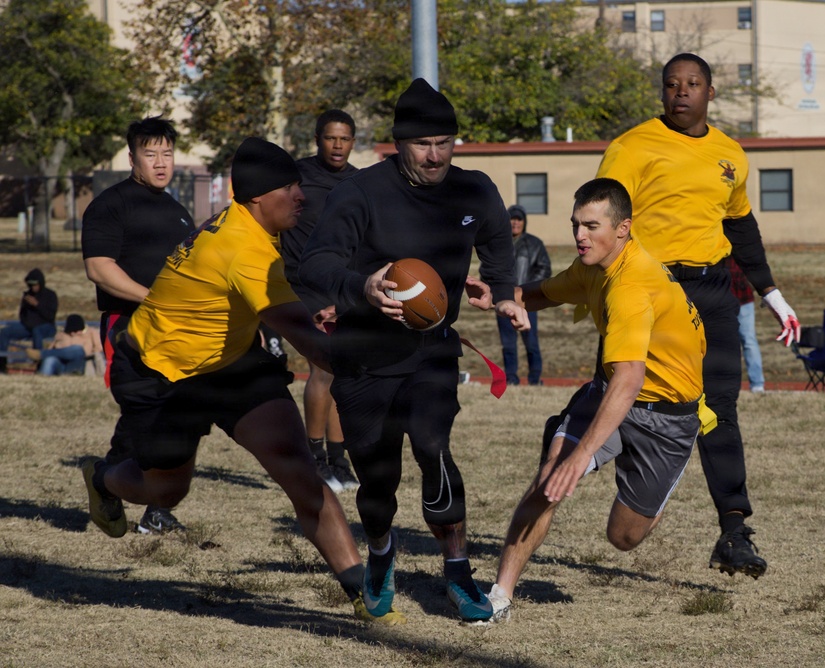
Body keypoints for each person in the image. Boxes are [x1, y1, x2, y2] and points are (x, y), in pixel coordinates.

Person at [80, 137, 404, 625]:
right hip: (162, 372)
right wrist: (373, 365)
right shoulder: (243, 247)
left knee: (300, 470)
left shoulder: (253, 227)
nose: (301, 196)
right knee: (167, 492)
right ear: (258, 198)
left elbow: (299, 292)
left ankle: (363, 594)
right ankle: (102, 477)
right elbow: (299, 331)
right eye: (290, 189)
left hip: (231, 364)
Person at [299, 78, 529, 624]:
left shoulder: (474, 190)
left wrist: (500, 293)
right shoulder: (361, 192)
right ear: (397, 144)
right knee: (377, 479)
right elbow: (316, 263)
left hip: (431, 352)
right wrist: (364, 285)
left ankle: (457, 569)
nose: (435, 155)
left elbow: (497, 240)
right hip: (364, 357)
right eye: (422, 143)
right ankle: (381, 554)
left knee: (432, 444)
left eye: (445, 142)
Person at [596, 53, 800, 580]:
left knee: (721, 409)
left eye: (692, 84)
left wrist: (773, 294)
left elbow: (742, 228)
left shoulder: (731, 154)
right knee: (635, 396)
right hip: (655, 292)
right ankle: (607, 473)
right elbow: (602, 222)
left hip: (712, 292)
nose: (681, 92)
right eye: (671, 84)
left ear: (711, 92)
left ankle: (733, 530)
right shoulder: (632, 146)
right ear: (662, 93)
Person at [486, 178, 709, 622]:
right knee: (549, 479)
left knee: (623, 537)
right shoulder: (592, 267)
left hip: (667, 417)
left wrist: (581, 457)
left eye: (591, 225)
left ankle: (647, 491)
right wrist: (497, 296)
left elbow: (631, 378)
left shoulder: (630, 286)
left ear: (623, 228)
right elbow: (541, 294)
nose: (579, 236)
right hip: (610, 392)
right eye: (576, 225)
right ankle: (499, 596)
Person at [81, 116, 196, 535]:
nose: (161, 162)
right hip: (129, 327)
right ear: (132, 157)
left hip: (178, 328)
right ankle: (126, 490)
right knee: (146, 412)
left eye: (167, 153)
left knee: (177, 412)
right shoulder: (110, 204)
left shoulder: (177, 209)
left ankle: (122, 487)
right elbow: (99, 268)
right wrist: (154, 298)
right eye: (151, 154)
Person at [281, 109, 360, 493]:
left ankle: (339, 461)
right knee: (323, 369)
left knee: (342, 372)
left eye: (345, 138)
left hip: (341, 284)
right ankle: (313, 460)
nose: (338, 145)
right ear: (318, 139)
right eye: (331, 138)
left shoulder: (360, 182)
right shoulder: (296, 176)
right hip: (303, 282)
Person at [496, 204, 551, 386]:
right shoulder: (498, 243)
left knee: (532, 343)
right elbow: (489, 270)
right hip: (504, 302)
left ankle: (535, 379)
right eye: (512, 218)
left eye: (519, 219)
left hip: (528, 302)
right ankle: (511, 378)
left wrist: (526, 290)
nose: (515, 222)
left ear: (524, 222)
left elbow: (545, 269)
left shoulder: (534, 244)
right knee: (508, 344)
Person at [0, 269, 59, 374]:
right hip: (28, 326)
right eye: (30, 285)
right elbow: (22, 315)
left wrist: (37, 305)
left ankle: (39, 363)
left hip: (47, 326)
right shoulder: (27, 296)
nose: (33, 287)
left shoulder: (50, 295)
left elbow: (50, 316)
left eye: (35, 284)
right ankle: (2, 364)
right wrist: (28, 323)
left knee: (37, 331)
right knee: (4, 332)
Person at [726, 257, 765, 392]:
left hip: (741, 297)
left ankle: (757, 384)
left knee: (748, 340)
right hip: (725, 298)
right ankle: (732, 385)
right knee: (734, 343)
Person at [28, 314, 104, 376]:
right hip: (61, 364)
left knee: (77, 349)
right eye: (70, 332)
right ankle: (41, 380)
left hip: (80, 363)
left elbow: (99, 348)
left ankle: (41, 354)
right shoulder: (61, 335)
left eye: (75, 331)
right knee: (50, 359)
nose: (72, 334)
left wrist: (88, 353)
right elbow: (51, 348)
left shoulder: (91, 333)